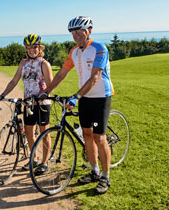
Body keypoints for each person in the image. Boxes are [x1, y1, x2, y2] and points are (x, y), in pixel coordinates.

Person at [40, 16, 114, 194]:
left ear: (89, 31)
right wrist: (46, 92)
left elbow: (95, 77)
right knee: (87, 134)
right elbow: (61, 74)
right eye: (73, 32)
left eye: (79, 31)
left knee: (99, 137)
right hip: (85, 98)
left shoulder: (99, 49)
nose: (76, 35)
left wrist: (76, 96)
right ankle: (94, 171)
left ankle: (105, 176)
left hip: (100, 97)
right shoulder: (74, 51)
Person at [0, 34, 53, 175]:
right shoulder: (23, 63)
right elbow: (14, 81)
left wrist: (40, 96)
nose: (31, 50)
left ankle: (45, 163)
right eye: (28, 47)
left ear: (40, 48)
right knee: (29, 133)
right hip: (28, 103)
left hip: (42, 103)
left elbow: (51, 85)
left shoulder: (44, 64)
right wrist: (2, 94)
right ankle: (35, 159)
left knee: (44, 133)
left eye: (34, 47)